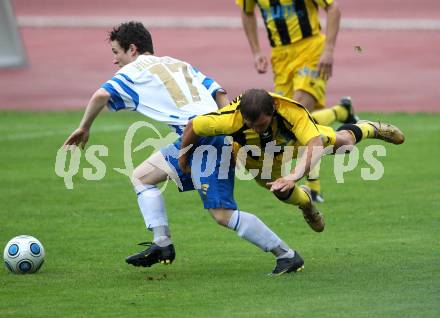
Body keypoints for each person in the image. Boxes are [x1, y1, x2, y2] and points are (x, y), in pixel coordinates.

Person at [63, 21, 305, 276]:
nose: (115, 60)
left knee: (222, 214)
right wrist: (228, 129)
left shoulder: (133, 70)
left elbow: (100, 95)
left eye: (116, 52)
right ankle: (162, 244)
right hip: (202, 134)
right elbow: (218, 92)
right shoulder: (177, 63)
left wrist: (84, 127)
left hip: (205, 139)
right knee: (142, 177)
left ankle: (287, 255)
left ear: (132, 49)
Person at [179, 89, 404, 234]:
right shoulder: (230, 118)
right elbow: (193, 126)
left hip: (296, 143)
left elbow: (314, 146)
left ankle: (372, 128)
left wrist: (293, 175)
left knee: (344, 144)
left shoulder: (291, 112)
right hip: (256, 158)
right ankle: (307, 204)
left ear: (273, 111)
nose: (257, 128)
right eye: (251, 124)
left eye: (262, 124)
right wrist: (183, 158)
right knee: (279, 191)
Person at [236, 0, 353, 202]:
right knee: (287, 124)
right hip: (280, 58)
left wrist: (328, 50)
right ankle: (341, 112)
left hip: (311, 49)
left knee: (298, 114)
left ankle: (313, 188)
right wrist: (256, 52)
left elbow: (333, 8)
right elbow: (247, 13)